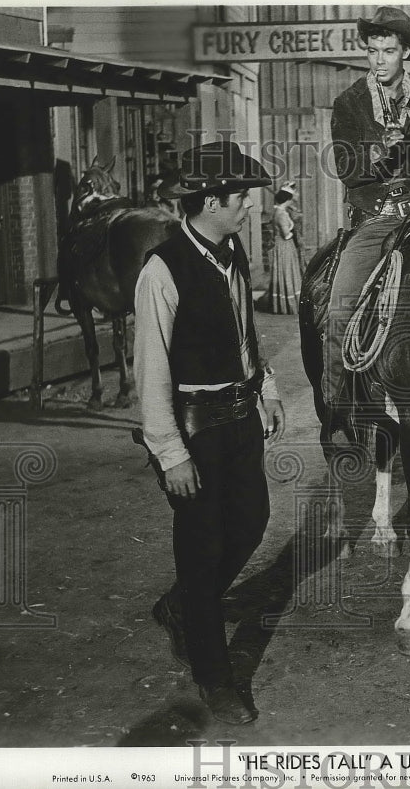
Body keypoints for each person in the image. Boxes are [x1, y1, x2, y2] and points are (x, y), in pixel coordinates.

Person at [133, 140, 286, 725]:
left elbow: (244, 331)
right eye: (241, 197)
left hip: (241, 417)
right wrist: (170, 453)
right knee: (202, 552)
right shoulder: (161, 270)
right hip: (192, 429)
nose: (248, 206)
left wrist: (266, 390)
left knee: (251, 523)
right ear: (212, 200)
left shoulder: (232, 251)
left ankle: (181, 608)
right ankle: (214, 678)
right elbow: (151, 370)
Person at [325, 5, 410, 409]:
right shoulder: (350, 103)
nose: (379, 59)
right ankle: (337, 404)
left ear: (404, 53)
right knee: (339, 309)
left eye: (389, 51)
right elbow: (347, 169)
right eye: (373, 50)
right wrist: (382, 152)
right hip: (375, 221)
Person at [259, 181, 303, 314]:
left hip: (282, 246)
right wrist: (294, 229)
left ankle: (285, 303)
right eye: (292, 197)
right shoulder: (281, 214)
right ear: (288, 199)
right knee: (287, 271)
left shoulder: (280, 211)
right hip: (284, 246)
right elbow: (286, 235)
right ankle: (288, 305)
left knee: (287, 272)